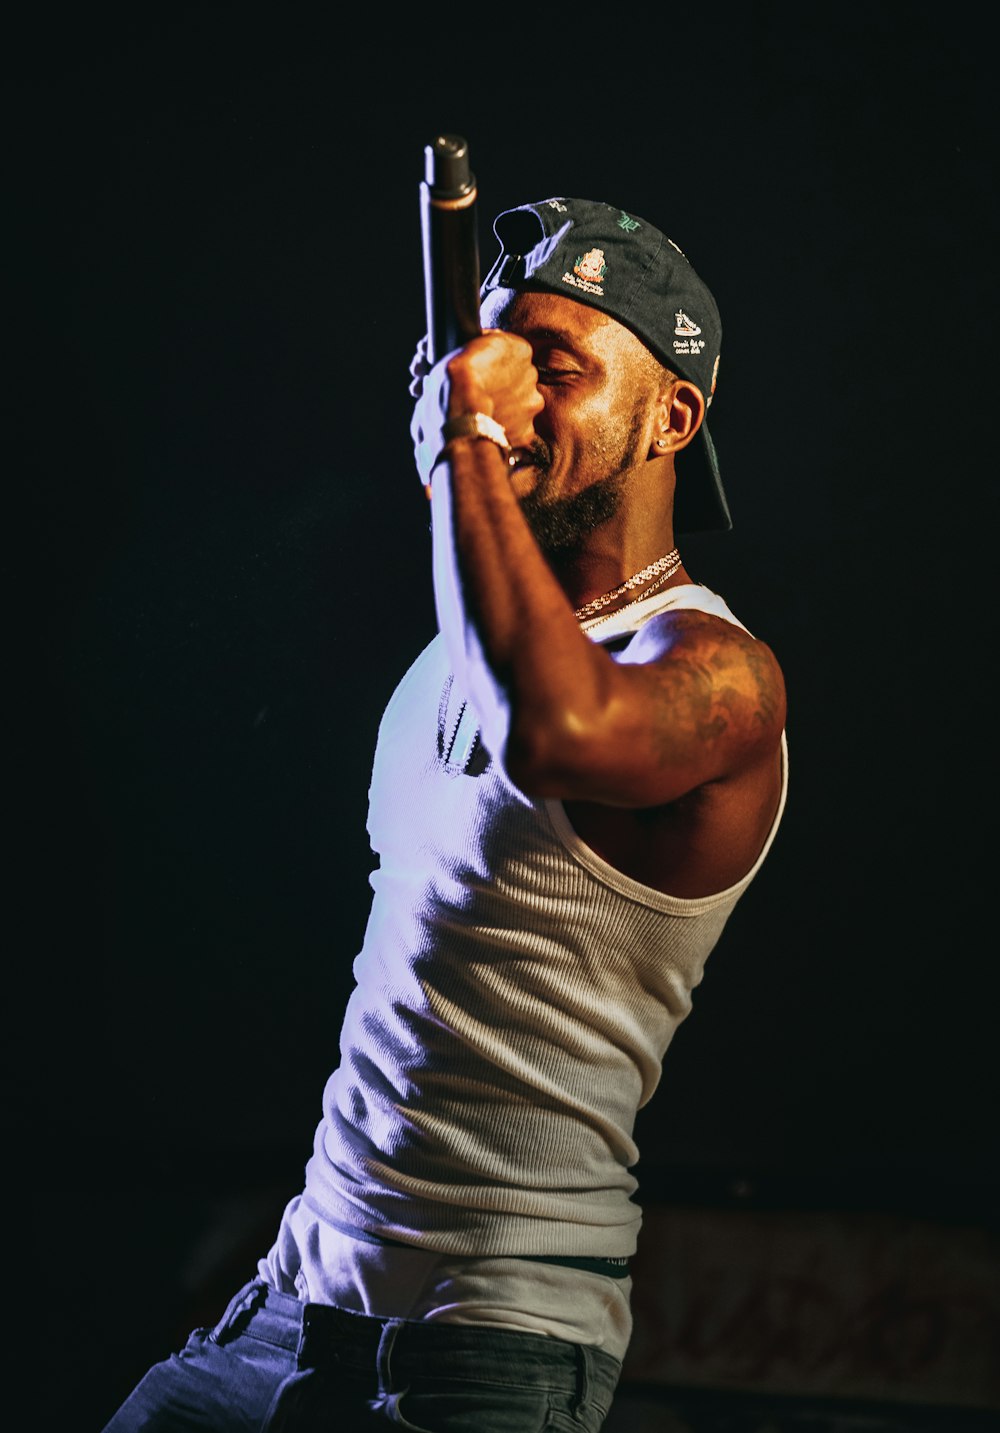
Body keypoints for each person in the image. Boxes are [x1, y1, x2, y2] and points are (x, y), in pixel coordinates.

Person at [103, 195, 788, 1432]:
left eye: (557, 369)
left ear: (671, 416)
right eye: (492, 357)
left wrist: (465, 439)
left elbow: (558, 733)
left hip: (479, 1351)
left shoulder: (717, 673)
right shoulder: (450, 656)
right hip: (285, 1305)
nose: (513, 398)